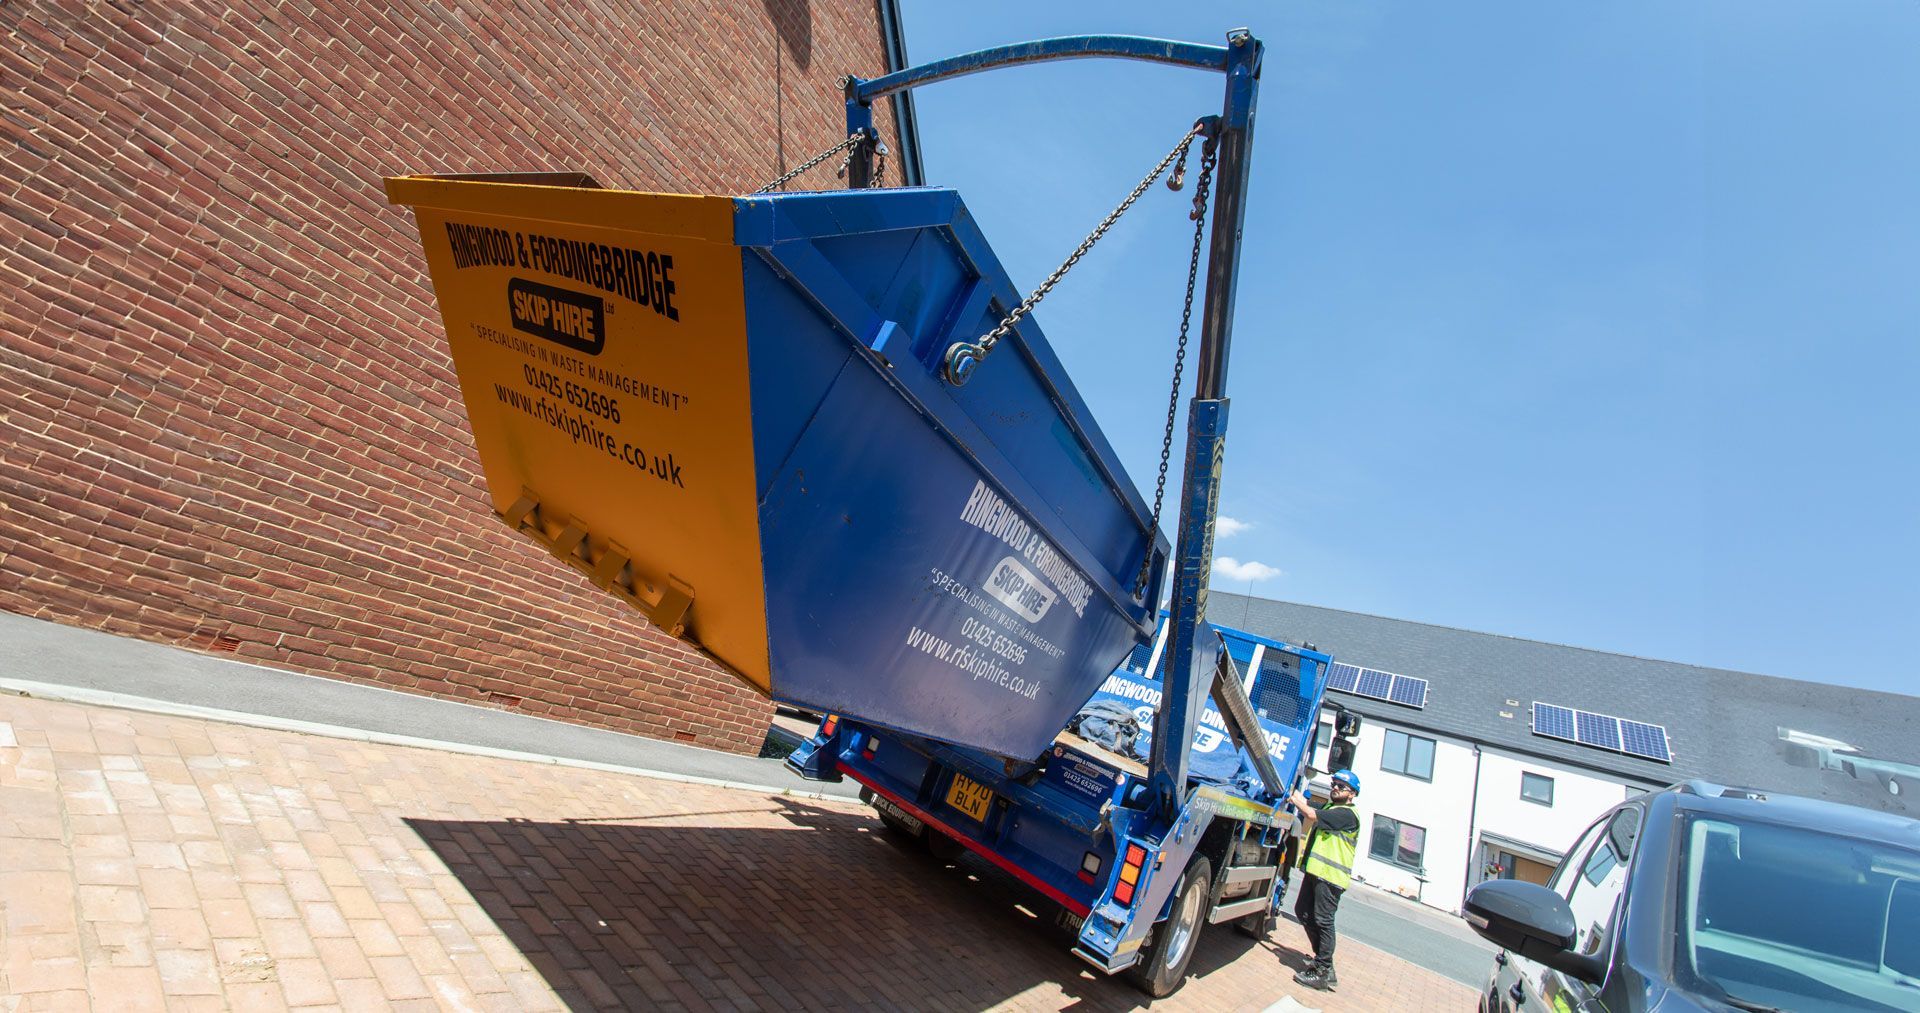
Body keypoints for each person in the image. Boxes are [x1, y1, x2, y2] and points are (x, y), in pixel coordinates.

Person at [1286, 769, 1361, 992]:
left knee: (1323, 921)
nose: (1335, 788)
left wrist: (1295, 799)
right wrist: (1292, 789)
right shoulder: (1331, 808)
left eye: (1342, 787)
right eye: (1334, 784)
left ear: (1352, 794)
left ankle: (1322, 971)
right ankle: (1323, 962)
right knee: (1303, 912)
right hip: (1317, 873)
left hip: (1330, 878)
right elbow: (1305, 802)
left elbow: (1309, 814)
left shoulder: (1348, 815)